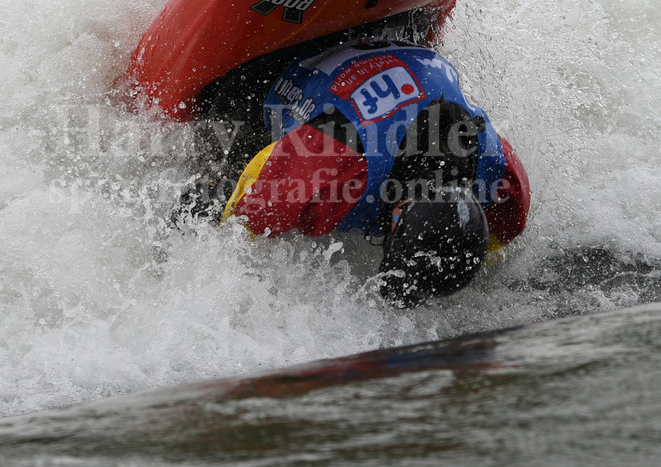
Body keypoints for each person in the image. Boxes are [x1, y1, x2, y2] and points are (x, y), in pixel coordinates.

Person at [182, 25, 530, 308]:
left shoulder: (504, 187)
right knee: (207, 207)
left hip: (396, 35)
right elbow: (245, 213)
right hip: (275, 67)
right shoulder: (333, 164)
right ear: (398, 215)